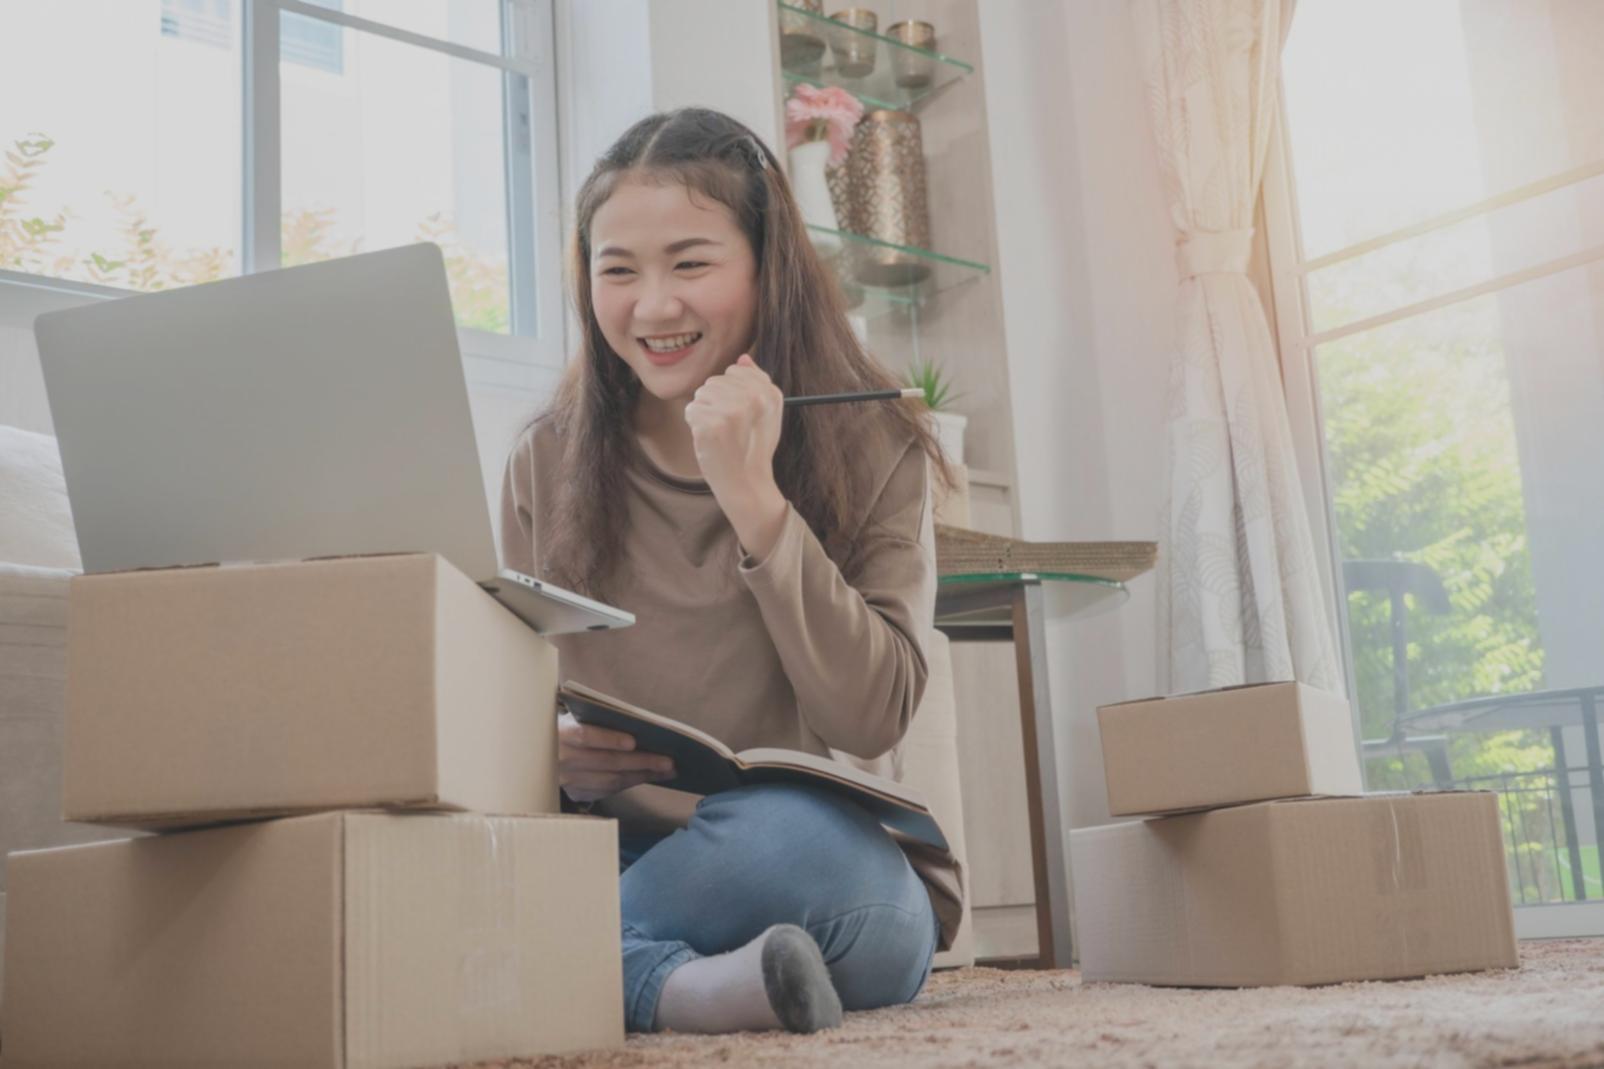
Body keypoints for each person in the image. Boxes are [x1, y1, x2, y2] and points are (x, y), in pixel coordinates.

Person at [499, 106, 962, 1036]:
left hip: (794, 859)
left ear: (765, 267)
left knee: (813, 851)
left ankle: (556, 967)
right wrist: (543, 754)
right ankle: (688, 990)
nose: (653, 306)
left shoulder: (877, 446)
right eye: (617, 270)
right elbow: (505, 703)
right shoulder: (545, 461)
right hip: (613, 852)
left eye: (691, 263)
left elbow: (868, 715)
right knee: (465, 854)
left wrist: (757, 502)